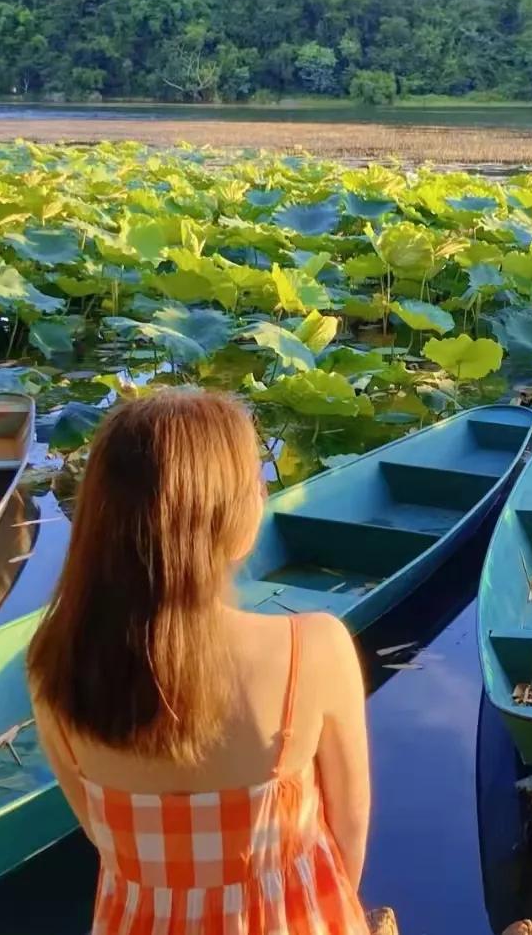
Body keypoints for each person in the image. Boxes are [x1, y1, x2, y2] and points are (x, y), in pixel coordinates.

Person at [28, 389, 371, 934]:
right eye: (255, 481)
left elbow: (101, 834)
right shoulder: (315, 648)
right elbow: (349, 830)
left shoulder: (53, 666)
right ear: (229, 520)